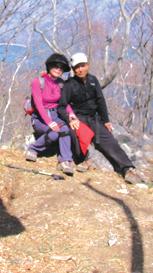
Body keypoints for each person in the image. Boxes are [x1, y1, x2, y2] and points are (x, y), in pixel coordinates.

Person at [58, 52, 144, 184]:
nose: (80, 70)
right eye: (77, 67)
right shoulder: (69, 85)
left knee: (110, 141)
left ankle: (128, 168)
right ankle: (85, 159)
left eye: (83, 66)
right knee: (75, 135)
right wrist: (70, 119)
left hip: (94, 118)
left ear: (88, 65)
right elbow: (61, 107)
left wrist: (106, 121)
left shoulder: (93, 81)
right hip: (79, 118)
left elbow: (100, 101)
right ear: (73, 69)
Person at [25, 53, 76, 174]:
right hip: (40, 117)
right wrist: (50, 122)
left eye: (61, 67)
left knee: (65, 130)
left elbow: (65, 103)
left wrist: (71, 114)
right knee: (53, 133)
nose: (58, 69)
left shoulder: (61, 84)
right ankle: (33, 149)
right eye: (55, 66)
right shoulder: (38, 82)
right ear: (49, 66)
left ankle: (65, 160)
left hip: (56, 115)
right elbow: (38, 104)